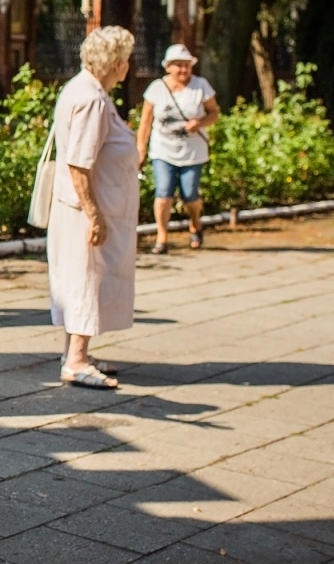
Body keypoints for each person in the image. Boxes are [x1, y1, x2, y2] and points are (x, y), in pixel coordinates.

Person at [47, 26, 138, 390]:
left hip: (85, 206)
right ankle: (77, 360)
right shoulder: (91, 99)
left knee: (83, 279)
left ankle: (75, 351)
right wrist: (94, 215)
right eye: (127, 60)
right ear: (115, 63)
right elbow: (80, 163)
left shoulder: (87, 91)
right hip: (86, 210)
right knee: (87, 279)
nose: (128, 67)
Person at [136, 43, 220, 252]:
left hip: (192, 152)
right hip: (163, 150)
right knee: (163, 191)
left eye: (187, 65)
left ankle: (195, 223)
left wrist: (199, 123)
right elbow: (145, 122)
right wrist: (140, 150)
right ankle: (161, 237)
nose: (183, 70)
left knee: (190, 193)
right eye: (179, 65)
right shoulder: (156, 89)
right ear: (169, 67)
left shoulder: (201, 86)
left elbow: (214, 113)